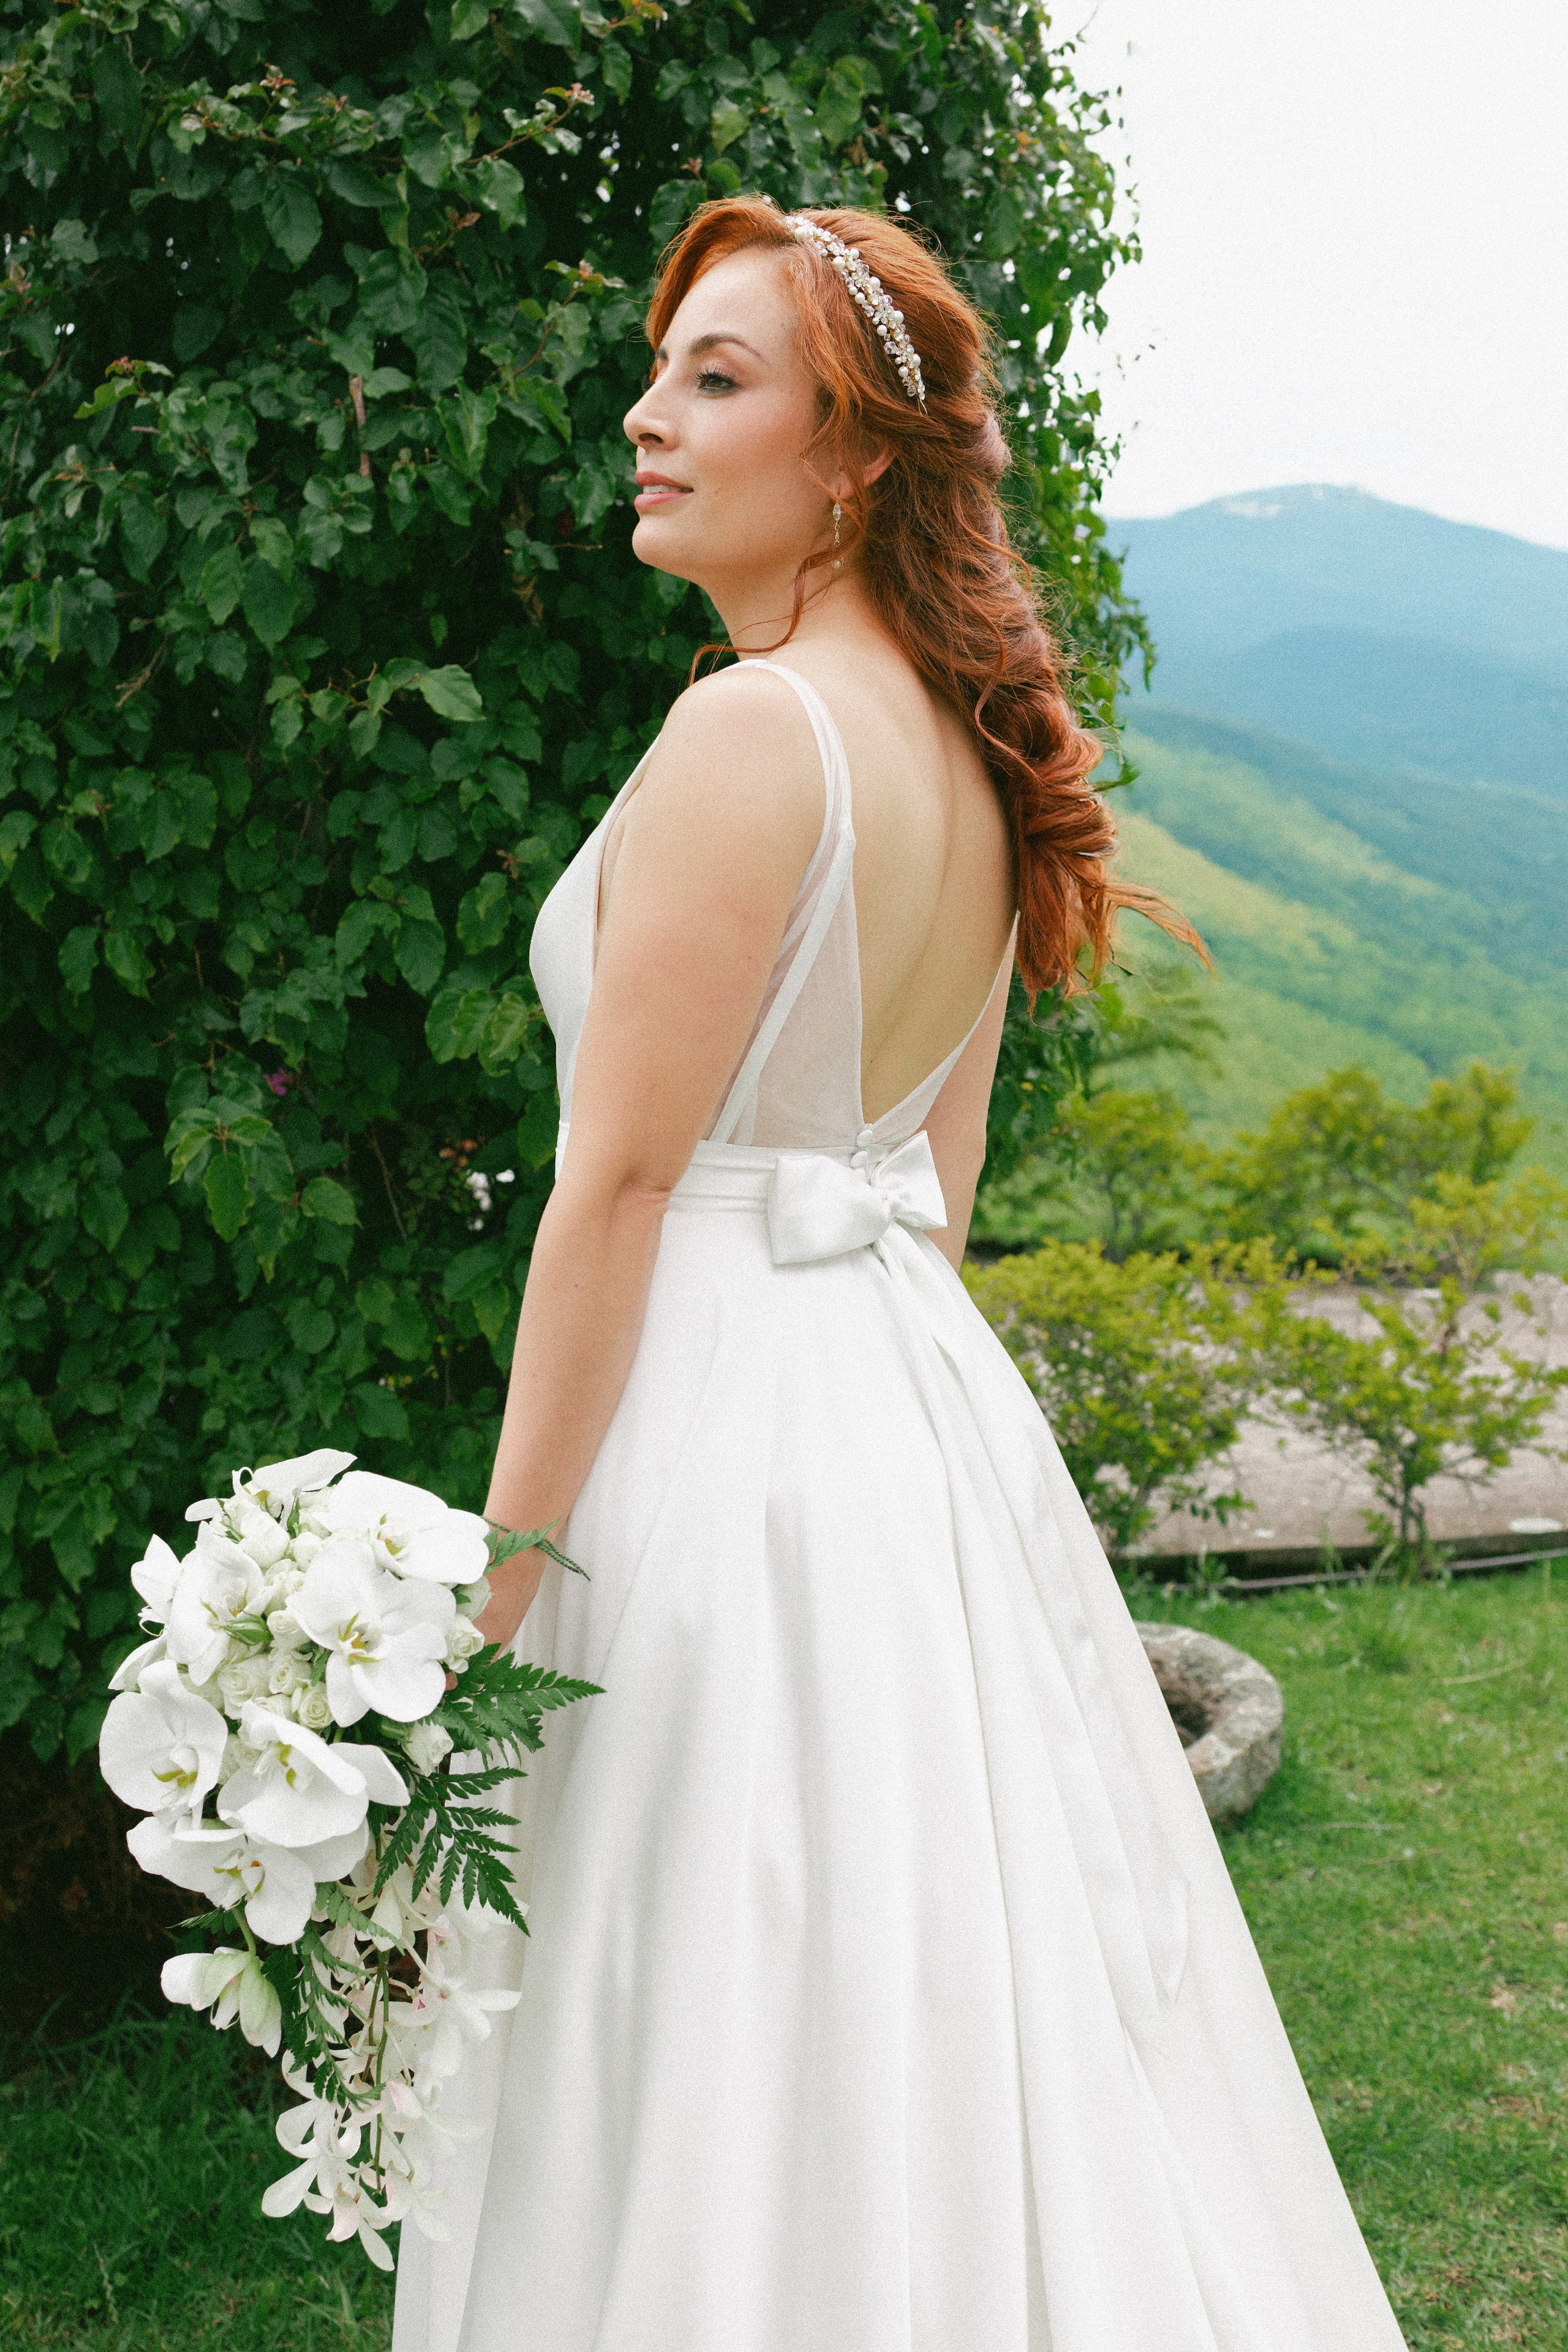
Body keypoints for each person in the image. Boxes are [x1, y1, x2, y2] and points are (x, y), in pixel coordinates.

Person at [391, 198, 1406, 2352]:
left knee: (706, 1988)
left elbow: (623, 1189)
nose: (649, 419)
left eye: (719, 377)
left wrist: (497, 1595)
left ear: (853, 456)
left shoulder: (752, 735)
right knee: (946, 1985)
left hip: (723, 1440)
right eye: (664, 371)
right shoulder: (960, 752)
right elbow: (924, 1196)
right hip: (908, 1422)